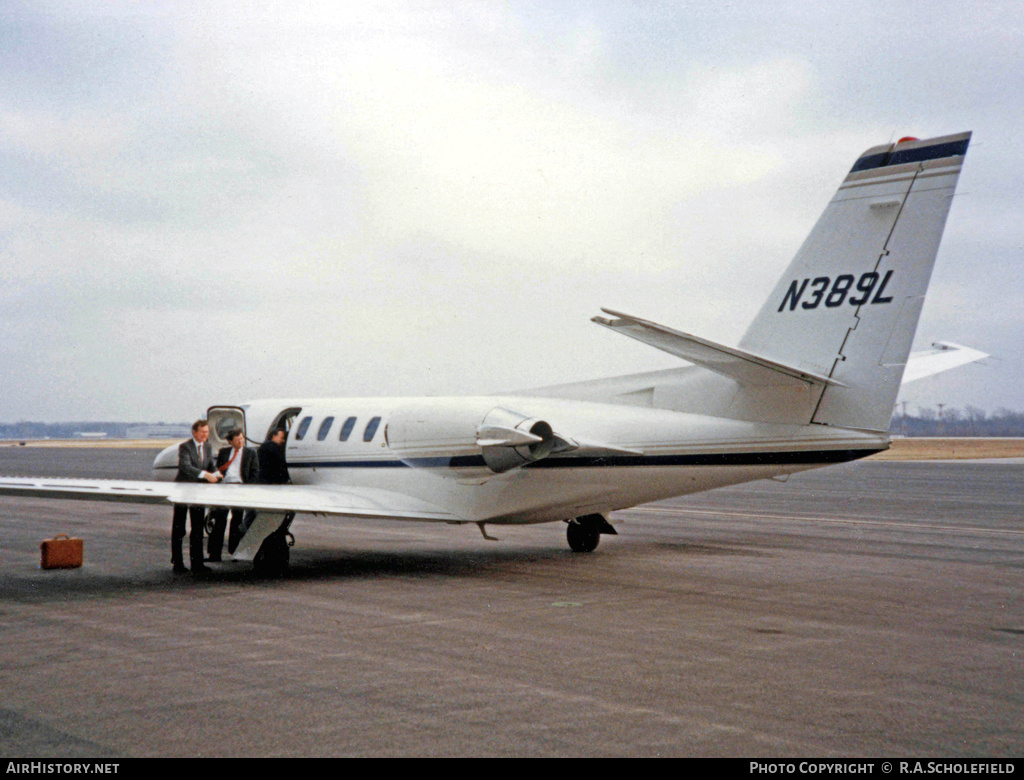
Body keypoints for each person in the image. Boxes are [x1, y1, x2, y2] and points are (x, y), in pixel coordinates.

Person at [172, 419, 221, 574]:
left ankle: (197, 564)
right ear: (194, 432)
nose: (205, 435)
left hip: (198, 493)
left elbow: (210, 464)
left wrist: (216, 474)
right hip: (183, 491)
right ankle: (178, 563)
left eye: (207, 432)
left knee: (198, 528)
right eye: (202, 432)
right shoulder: (185, 447)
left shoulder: (208, 446)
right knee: (179, 528)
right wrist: (205, 475)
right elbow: (185, 467)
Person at [207, 428, 259, 560]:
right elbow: (218, 470)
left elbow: (255, 472)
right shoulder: (223, 452)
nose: (241, 441)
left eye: (242, 439)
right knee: (220, 519)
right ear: (230, 442)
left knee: (237, 521)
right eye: (237, 440)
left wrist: (248, 489)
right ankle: (214, 554)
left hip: (240, 488)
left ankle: (234, 552)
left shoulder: (250, 453)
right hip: (225, 488)